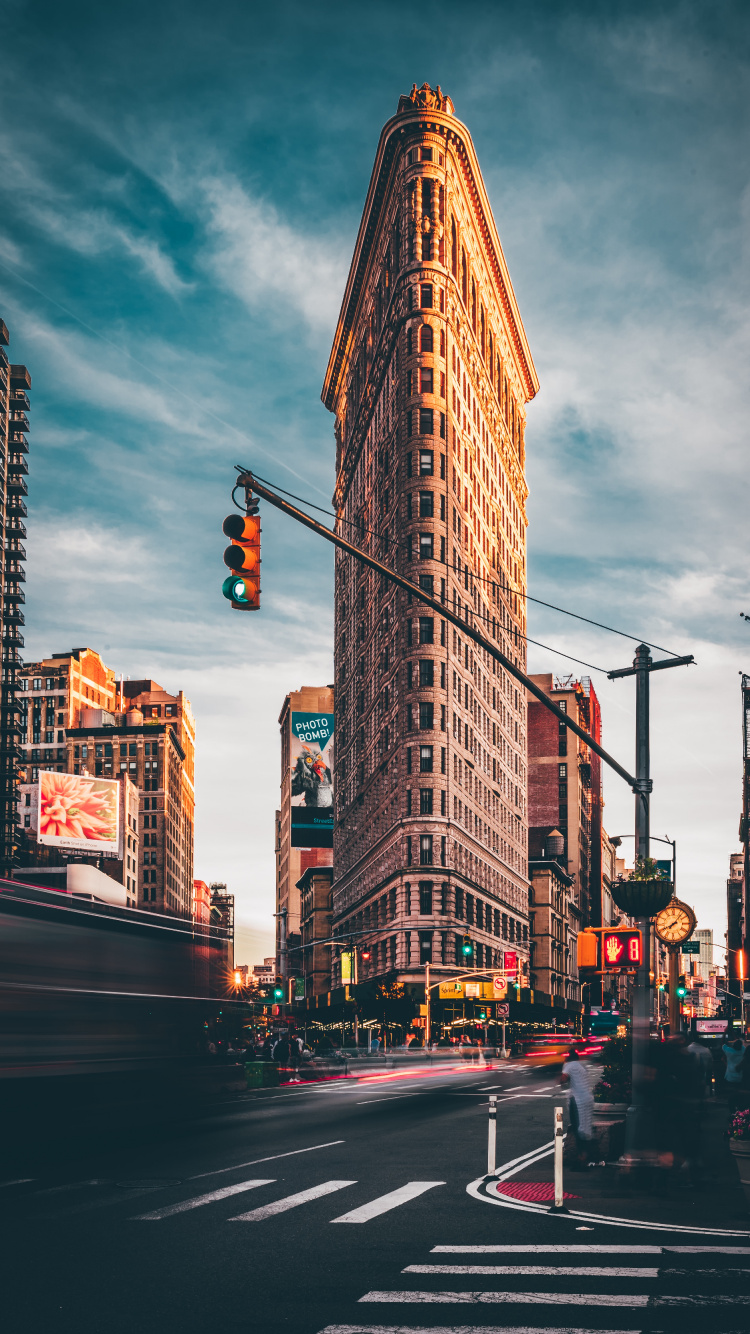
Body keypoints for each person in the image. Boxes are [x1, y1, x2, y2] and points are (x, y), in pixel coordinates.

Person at [561, 1048, 595, 1169]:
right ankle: (585, 1157)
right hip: (588, 1099)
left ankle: (582, 1159)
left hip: (577, 1100)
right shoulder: (581, 1066)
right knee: (585, 1128)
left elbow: (563, 1079)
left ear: (568, 1057)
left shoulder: (569, 1065)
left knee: (577, 1129)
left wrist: (562, 1078)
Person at [723, 1038, 746, 1113]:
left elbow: (723, 1044)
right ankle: (740, 1111)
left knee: (731, 1095)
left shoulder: (729, 1051)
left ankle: (732, 1112)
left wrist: (725, 1034)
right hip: (740, 1077)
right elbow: (741, 1045)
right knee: (740, 1095)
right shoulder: (743, 1050)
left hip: (730, 1077)